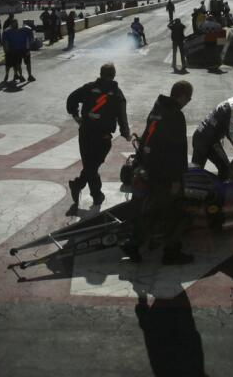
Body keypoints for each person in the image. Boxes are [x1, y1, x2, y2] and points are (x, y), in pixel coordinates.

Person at [123, 79, 194, 265]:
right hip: (163, 172)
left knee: (144, 209)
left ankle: (134, 243)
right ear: (182, 96)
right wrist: (177, 180)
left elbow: (146, 137)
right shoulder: (175, 115)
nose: (188, 102)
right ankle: (171, 253)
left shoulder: (156, 111)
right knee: (177, 211)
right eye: (189, 98)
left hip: (147, 166)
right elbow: (177, 151)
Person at [64, 63, 131, 214]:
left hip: (86, 133)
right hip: (103, 136)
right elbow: (122, 116)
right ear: (114, 75)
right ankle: (91, 192)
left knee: (89, 165)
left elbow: (72, 98)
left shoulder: (88, 88)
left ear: (101, 74)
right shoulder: (117, 94)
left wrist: (75, 115)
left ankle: (88, 190)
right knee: (92, 165)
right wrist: (126, 133)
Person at [0, 17, 26, 85]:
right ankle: (7, 75)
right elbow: (4, 42)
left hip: (18, 50)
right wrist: (5, 50)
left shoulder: (19, 30)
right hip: (10, 51)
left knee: (18, 64)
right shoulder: (7, 31)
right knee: (8, 65)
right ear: (11, 24)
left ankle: (19, 75)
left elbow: (22, 40)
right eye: (15, 23)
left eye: (17, 23)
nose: (16, 24)